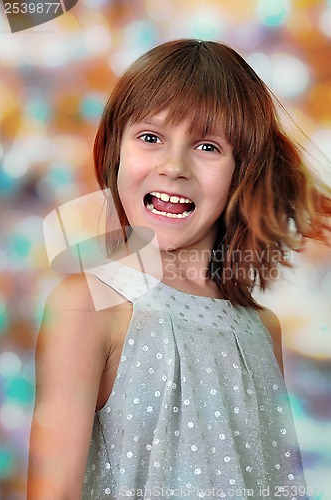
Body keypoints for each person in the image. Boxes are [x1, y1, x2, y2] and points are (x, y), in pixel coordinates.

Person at [27, 39, 330, 499]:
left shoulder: (260, 331)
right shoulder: (88, 306)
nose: (173, 166)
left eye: (208, 146)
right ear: (115, 149)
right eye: (151, 137)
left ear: (241, 171)